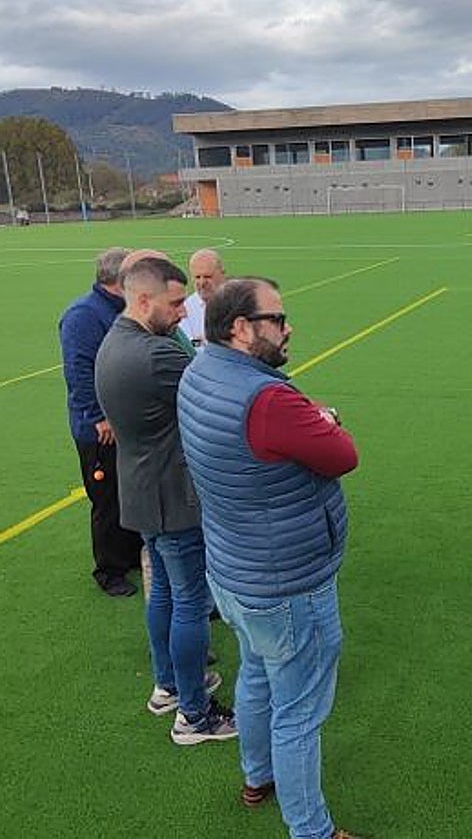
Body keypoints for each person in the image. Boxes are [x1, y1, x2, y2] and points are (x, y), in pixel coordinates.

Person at [178, 278, 360, 839]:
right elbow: (343, 455)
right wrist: (324, 420)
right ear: (240, 328)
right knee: (300, 710)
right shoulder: (268, 399)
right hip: (287, 582)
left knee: (256, 673)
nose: (289, 328)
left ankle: (257, 777)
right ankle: (311, 829)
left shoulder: (197, 373)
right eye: (278, 319)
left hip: (235, 571)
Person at [94, 254, 234, 744]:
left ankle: (169, 686)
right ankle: (194, 715)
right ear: (144, 298)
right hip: (173, 497)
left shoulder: (115, 339)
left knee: (168, 595)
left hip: (141, 490)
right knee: (191, 602)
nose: (183, 313)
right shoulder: (158, 355)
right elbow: (219, 390)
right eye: (175, 304)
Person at [58, 246, 145, 597]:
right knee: (107, 497)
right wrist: (97, 417)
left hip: (125, 421)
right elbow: (79, 371)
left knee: (130, 491)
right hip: (100, 429)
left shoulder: (119, 309)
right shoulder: (84, 315)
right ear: (119, 279)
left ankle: (129, 554)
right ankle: (109, 570)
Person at [180, 248, 227, 346]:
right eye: (197, 277)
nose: (202, 283)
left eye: (207, 277)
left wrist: (202, 341)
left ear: (222, 274)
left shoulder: (238, 301)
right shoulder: (185, 308)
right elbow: (188, 344)